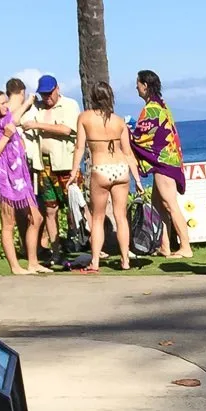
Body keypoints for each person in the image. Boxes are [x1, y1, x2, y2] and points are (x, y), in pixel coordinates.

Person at [70, 81, 141, 272]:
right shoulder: (119, 121)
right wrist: (138, 180)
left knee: (98, 218)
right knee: (121, 217)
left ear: (93, 97)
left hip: (100, 169)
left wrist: (73, 172)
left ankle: (95, 261)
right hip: (121, 169)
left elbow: (79, 147)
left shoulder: (84, 118)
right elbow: (128, 153)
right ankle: (125, 260)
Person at [0, 88, 46, 275]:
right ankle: (15, 267)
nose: (6, 106)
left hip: (20, 177)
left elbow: (15, 118)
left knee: (36, 217)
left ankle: (33, 262)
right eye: (3, 103)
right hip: (2, 178)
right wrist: (7, 136)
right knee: (8, 224)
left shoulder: (7, 118)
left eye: (6, 102)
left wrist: (27, 103)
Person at [130, 70, 193, 259]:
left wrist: (126, 132)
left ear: (145, 85)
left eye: (138, 84)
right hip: (169, 159)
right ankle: (164, 246)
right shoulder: (161, 104)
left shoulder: (152, 108)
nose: (136, 87)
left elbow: (142, 135)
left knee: (170, 204)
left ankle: (186, 246)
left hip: (164, 161)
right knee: (159, 205)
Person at [21, 73, 81, 253]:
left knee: (76, 205)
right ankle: (56, 249)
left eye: (49, 93)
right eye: (43, 94)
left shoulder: (69, 105)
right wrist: (28, 103)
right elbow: (20, 121)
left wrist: (38, 126)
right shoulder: (37, 108)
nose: (47, 98)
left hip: (66, 164)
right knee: (50, 208)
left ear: (57, 89)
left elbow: (66, 129)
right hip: (44, 166)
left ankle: (87, 243)